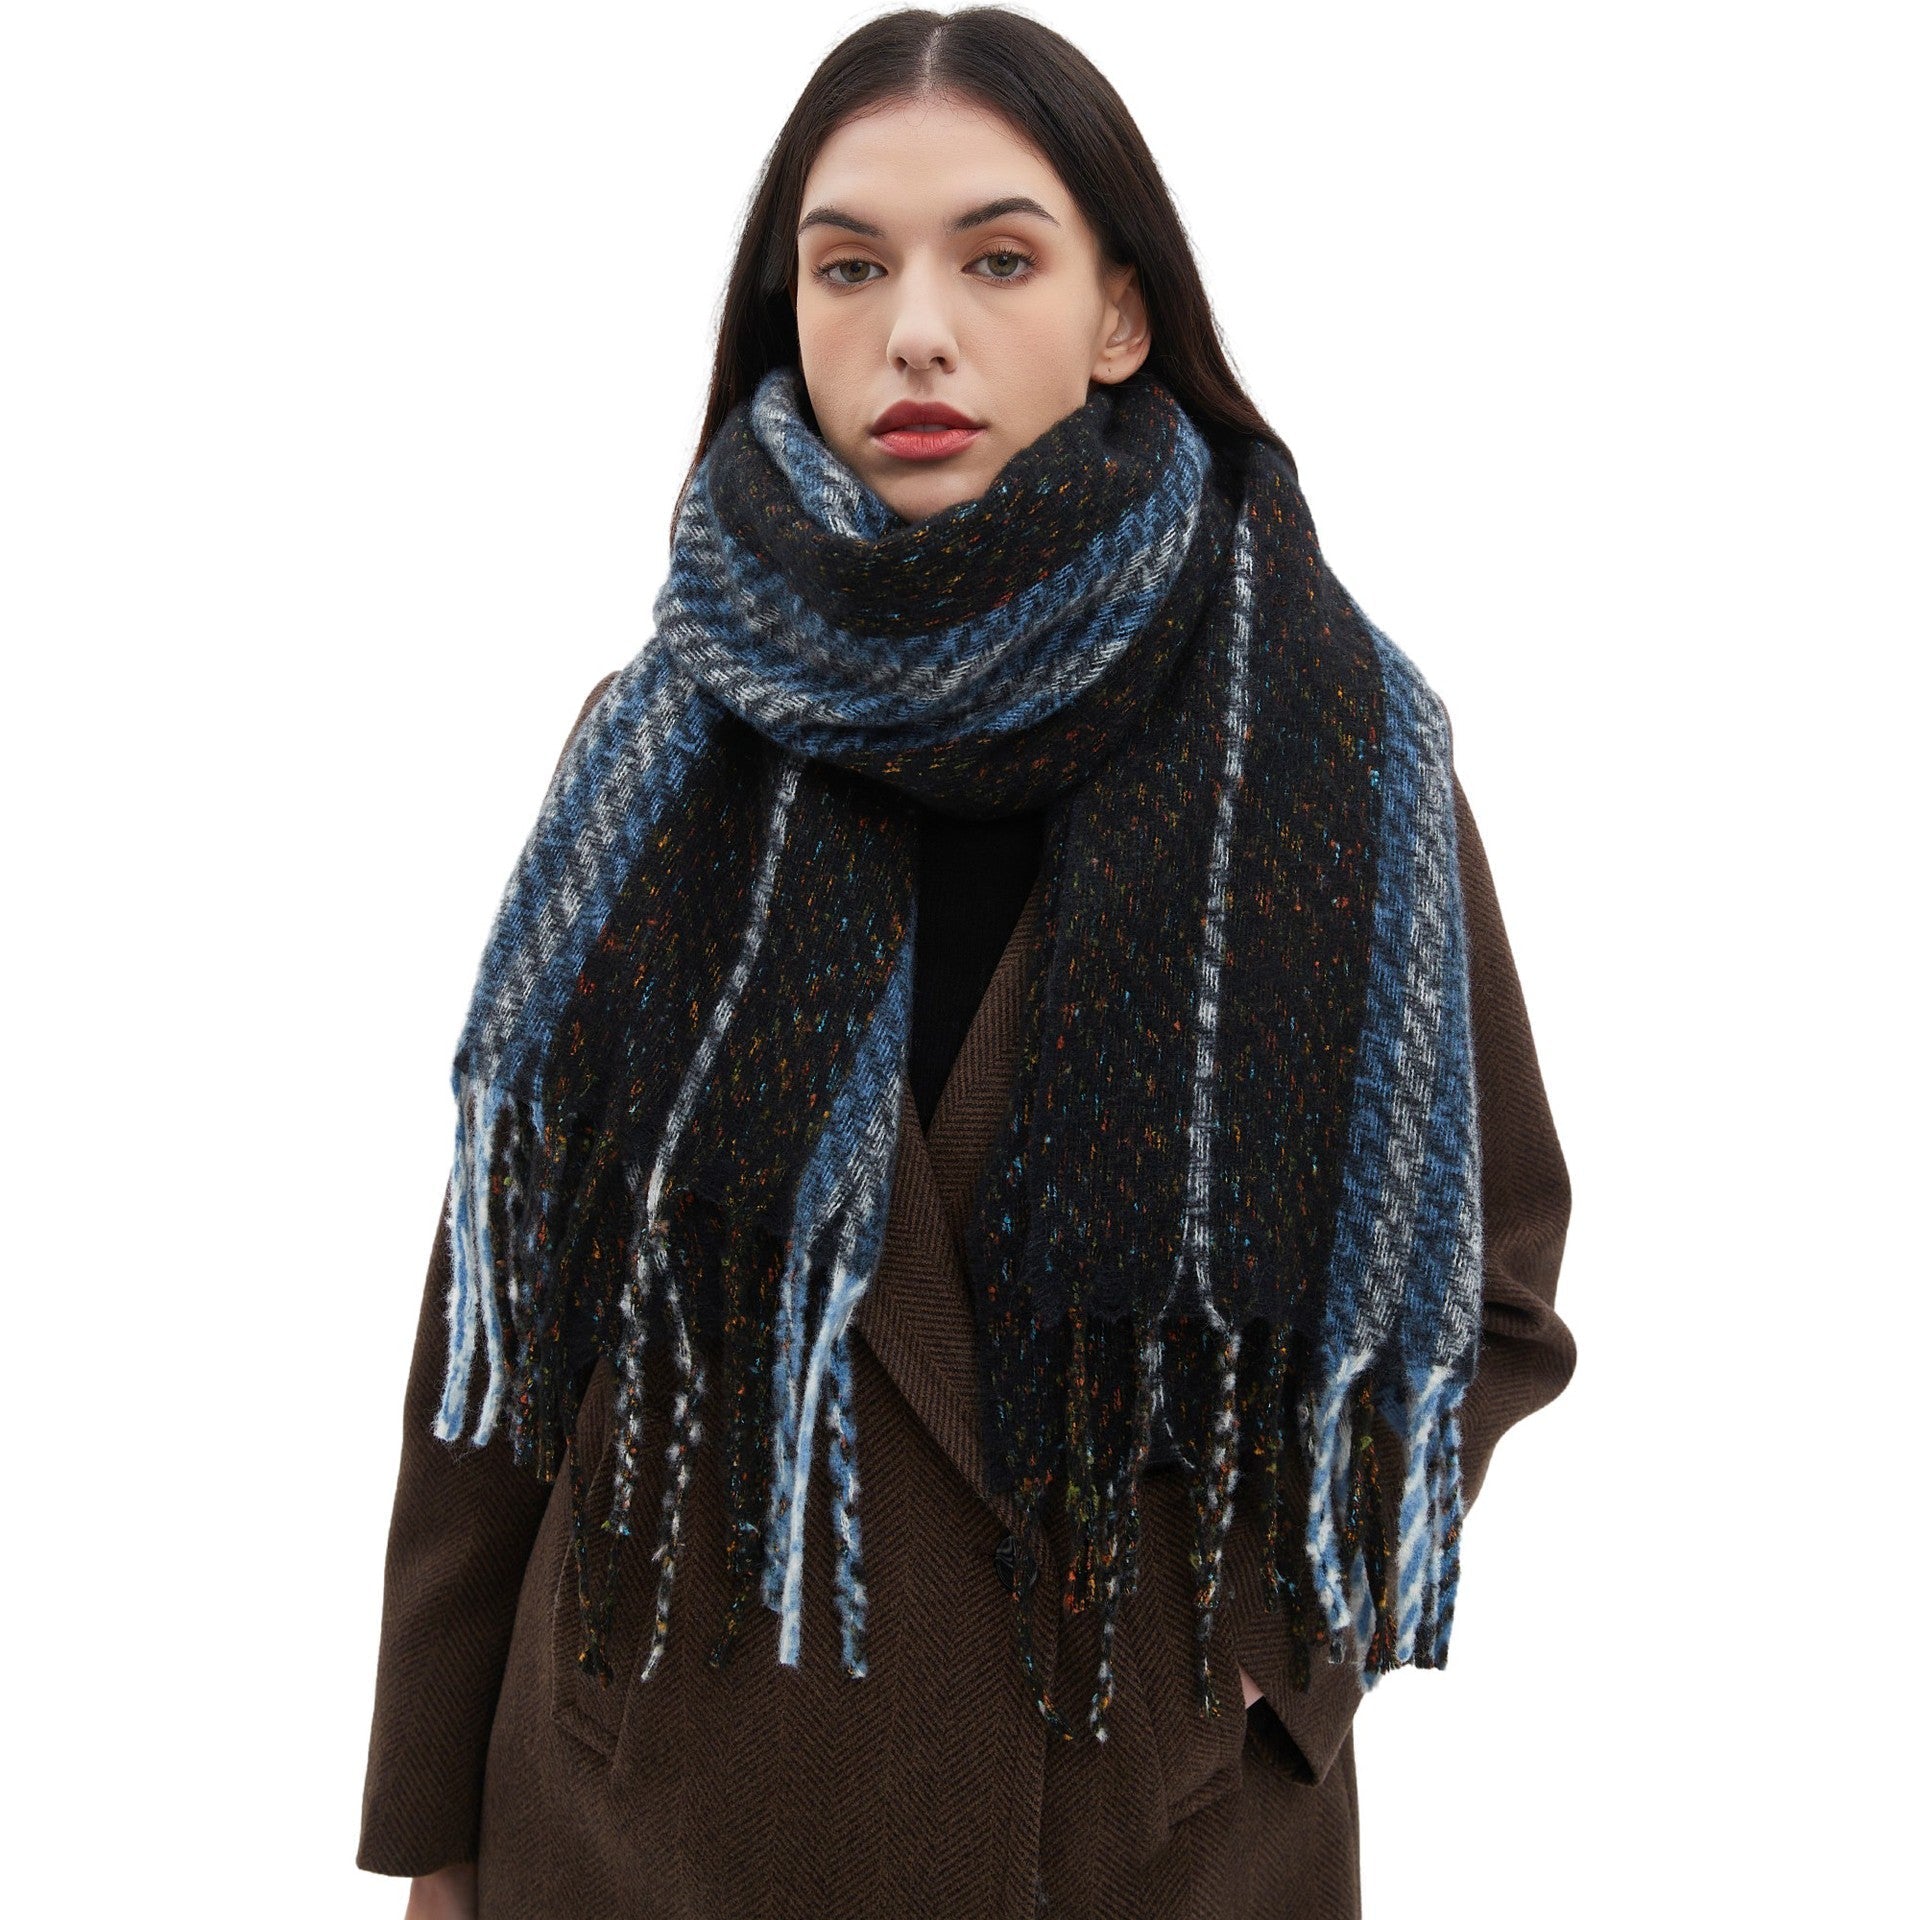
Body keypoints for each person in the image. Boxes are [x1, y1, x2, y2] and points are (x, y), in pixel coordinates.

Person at [356, 10, 1576, 1917]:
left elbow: (1488, 1290)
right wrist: (431, 1825)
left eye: (997, 260)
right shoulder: (654, 748)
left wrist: (1263, 1675)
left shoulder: (1335, 756)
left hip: (1140, 1837)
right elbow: (508, 1313)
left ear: (1120, 313)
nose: (914, 330)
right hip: (639, 1820)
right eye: (850, 267)